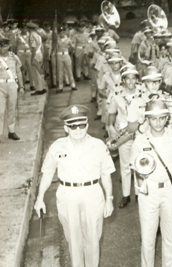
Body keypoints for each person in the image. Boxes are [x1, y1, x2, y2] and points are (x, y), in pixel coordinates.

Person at [34, 105, 115, 267]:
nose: (78, 129)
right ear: (66, 128)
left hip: (92, 194)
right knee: (73, 241)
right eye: (72, 126)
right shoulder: (57, 147)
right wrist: (39, 198)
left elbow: (106, 174)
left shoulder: (98, 146)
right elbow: (48, 173)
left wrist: (109, 199)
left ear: (87, 125)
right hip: (67, 195)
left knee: (93, 240)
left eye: (81, 125)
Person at [130, 100, 172, 267]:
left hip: (169, 191)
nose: (157, 123)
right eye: (153, 119)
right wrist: (140, 190)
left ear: (167, 118)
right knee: (148, 239)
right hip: (148, 192)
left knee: (170, 237)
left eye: (161, 118)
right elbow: (135, 169)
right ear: (147, 120)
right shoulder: (140, 141)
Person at [107, 67, 146, 208]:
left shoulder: (143, 95)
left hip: (138, 134)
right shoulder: (116, 97)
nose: (131, 81)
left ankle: (138, 192)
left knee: (139, 163)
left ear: (137, 80)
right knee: (125, 165)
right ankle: (125, 195)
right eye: (127, 78)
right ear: (123, 80)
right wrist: (111, 128)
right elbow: (110, 116)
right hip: (123, 135)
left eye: (133, 78)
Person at [0, 37, 23, 143]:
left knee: (11, 109)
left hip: (11, 84)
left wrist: (21, 86)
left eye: (4, 46)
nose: (2, 48)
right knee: (0, 111)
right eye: (0, 46)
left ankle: (11, 132)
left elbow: (19, 72)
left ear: (8, 46)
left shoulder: (14, 57)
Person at [27, 21, 47, 95]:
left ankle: (39, 89)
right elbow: (41, 46)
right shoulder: (38, 35)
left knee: (36, 72)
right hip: (40, 54)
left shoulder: (32, 35)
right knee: (40, 71)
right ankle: (43, 87)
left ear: (29, 29)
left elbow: (33, 47)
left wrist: (32, 58)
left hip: (35, 54)